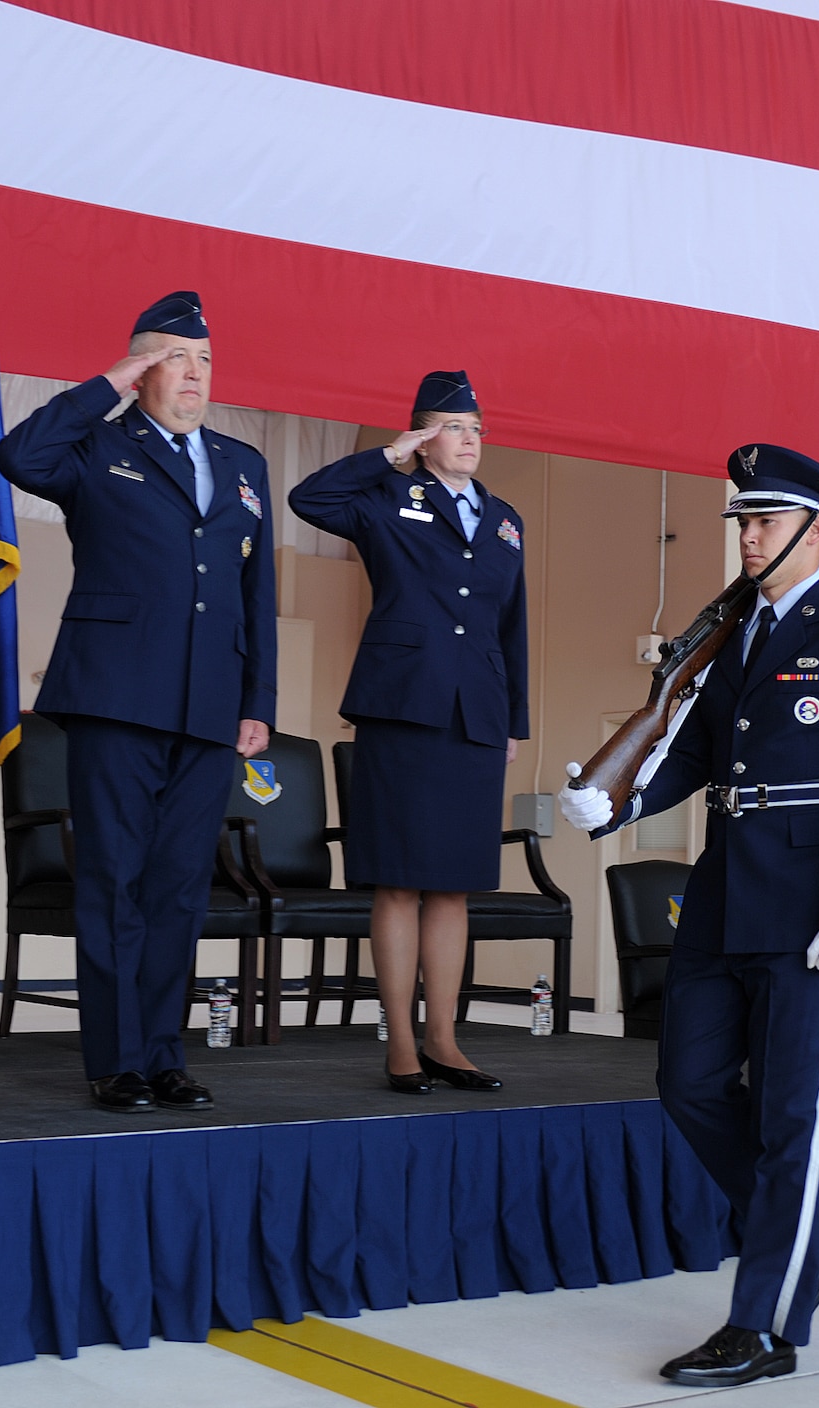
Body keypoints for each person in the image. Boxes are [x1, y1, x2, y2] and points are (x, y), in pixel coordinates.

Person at [559, 444, 819, 1387]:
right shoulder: (740, 636)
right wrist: (622, 803)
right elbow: (695, 753)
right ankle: (815, 1217)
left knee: (794, 1119)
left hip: (815, 913)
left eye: (765, 521)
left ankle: (762, 1324)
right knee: (687, 1085)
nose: (748, 535)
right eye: (742, 521)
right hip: (724, 895)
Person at [0, 292, 275, 1112]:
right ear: (143, 366)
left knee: (180, 887)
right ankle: (116, 1060)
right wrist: (105, 385)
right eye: (175, 358)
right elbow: (18, 455)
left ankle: (163, 1053)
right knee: (113, 880)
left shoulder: (241, 463)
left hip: (210, 705)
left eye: (205, 360)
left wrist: (257, 698)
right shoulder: (95, 445)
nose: (194, 375)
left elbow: (256, 594)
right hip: (117, 696)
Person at [287, 371, 528, 1094]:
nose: (471, 442)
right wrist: (386, 457)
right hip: (402, 705)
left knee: (454, 886)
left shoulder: (505, 518)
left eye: (477, 430)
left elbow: (510, 624)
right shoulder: (384, 497)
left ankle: (445, 1040)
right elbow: (308, 500)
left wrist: (512, 718)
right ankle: (398, 1042)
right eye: (455, 429)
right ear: (425, 437)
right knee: (397, 882)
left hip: (475, 715)